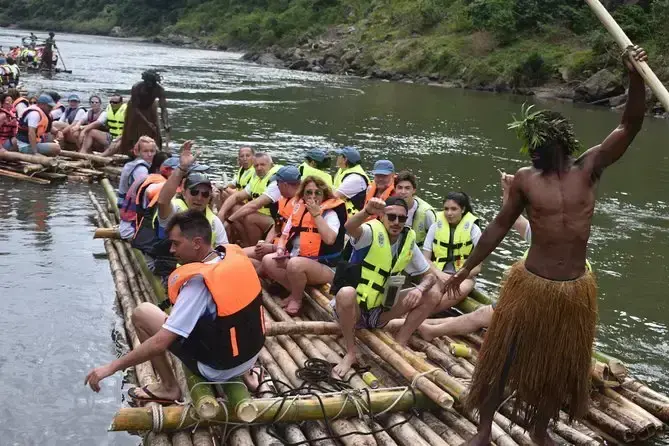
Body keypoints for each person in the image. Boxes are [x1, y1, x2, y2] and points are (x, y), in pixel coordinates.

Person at [442, 46, 648, 446]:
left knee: (557, 365)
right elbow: (500, 225)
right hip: (531, 284)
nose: (530, 150)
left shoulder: (589, 168)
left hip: (573, 290)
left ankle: (539, 429)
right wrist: (466, 269)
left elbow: (630, 124)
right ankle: (483, 429)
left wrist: (635, 75)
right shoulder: (524, 179)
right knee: (501, 357)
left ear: (557, 142)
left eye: (536, 143)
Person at [85, 210, 265, 401]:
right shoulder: (231, 256)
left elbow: (160, 342)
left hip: (218, 368)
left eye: (176, 243)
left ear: (196, 243)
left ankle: (169, 387)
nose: (172, 250)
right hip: (250, 354)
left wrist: (110, 367)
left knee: (141, 313)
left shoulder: (198, 283)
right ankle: (247, 373)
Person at [331, 196, 440, 377]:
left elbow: (430, 276)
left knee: (433, 294)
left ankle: (400, 343)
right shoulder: (369, 232)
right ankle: (351, 352)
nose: (396, 222)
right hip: (355, 309)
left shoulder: (407, 240)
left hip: (380, 310)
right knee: (345, 293)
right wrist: (366, 212)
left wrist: (420, 289)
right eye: (391, 217)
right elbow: (349, 227)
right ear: (382, 216)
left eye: (402, 218)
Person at [262, 176, 347, 315]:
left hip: (324, 266)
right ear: (303, 194)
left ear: (324, 194)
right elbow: (285, 235)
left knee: (295, 264)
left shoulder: (330, 213)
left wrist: (316, 215)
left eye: (317, 193)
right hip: (298, 260)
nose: (313, 196)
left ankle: (296, 299)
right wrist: (279, 250)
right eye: (308, 192)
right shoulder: (298, 209)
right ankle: (296, 291)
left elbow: (330, 239)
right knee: (267, 260)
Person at [157, 142, 228, 249]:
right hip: (172, 262)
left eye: (205, 194)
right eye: (194, 192)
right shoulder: (175, 209)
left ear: (209, 197)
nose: (199, 198)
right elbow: (162, 201)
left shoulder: (214, 221)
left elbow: (224, 250)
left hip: (202, 264)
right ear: (184, 192)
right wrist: (182, 168)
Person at [423, 192, 482, 312]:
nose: (449, 213)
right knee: (433, 291)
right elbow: (426, 259)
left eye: (454, 209)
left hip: (464, 277)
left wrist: (456, 277)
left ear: (463, 209)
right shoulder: (435, 226)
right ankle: (421, 316)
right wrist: (439, 274)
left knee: (459, 290)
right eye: (446, 209)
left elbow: (477, 267)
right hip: (439, 273)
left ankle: (423, 316)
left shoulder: (474, 230)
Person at [242, 165, 301, 271]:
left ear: (285, 185)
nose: (277, 186)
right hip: (275, 246)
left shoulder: (301, 206)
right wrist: (266, 243)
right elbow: (276, 226)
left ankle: (260, 274)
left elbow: (296, 243)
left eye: (278, 183)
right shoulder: (283, 200)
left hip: (287, 253)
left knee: (246, 262)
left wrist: (273, 248)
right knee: (239, 255)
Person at [219, 152, 281, 246]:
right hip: (260, 214)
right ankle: (243, 242)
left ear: (271, 165)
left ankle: (252, 248)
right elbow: (237, 196)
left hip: (275, 221)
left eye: (262, 165)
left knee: (249, 217)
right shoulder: (256, 177)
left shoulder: (276, 179)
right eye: (256, 166)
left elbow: (254, 205)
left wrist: (229, 221)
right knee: (233, 207)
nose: (259, 168)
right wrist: (221, 213)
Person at [119, 69, 169, 155]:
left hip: (150, 107)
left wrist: (166, 123)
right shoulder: (137, 87)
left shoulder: (159, 90)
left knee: (155, 131)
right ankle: (129, 153)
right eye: (147, 82)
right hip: (135, 109)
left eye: (151, 82)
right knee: (132, 133)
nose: (149, 84)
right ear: (144, 80)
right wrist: (147, 123)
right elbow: (135, 108)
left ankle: (155, 154)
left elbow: (163, 109)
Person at [394, 170, 437, 247]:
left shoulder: (426, 213)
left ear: (414, 190)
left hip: (420, 253)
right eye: (400, 188)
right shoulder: (390, 207)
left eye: (407, 188)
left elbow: (436, 238)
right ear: (395, 189)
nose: (403, 192)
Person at [117, 136, 158, 207]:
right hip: (131, 209)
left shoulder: (130, 164)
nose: (149, 154)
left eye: (152, 151)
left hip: (123, 203)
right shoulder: (141, 169)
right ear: (138, 152)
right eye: (145, 151)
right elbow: (146, 192)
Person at [333, 147, 369, 216]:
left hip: (352, 216)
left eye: (339, 156)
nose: (337, 157)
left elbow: (335, 196)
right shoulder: (343, 169)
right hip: (342, 210)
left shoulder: (355, 178)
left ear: (345, 159)